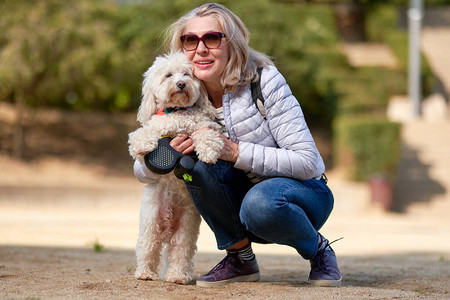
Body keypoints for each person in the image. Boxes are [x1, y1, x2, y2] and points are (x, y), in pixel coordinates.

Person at [133, 3, 342, 288]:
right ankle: (240, 258)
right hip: (242, 199)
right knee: (197, 166)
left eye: (213, 37)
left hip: (298, 194)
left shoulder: (264, 80)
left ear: (233, 42)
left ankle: (318, 250)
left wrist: (233, 151)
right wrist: (159, 158)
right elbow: (143, 165)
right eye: (190, 40)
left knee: (260, 202)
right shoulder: (190, 89)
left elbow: (309, 162)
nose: (201, 48)